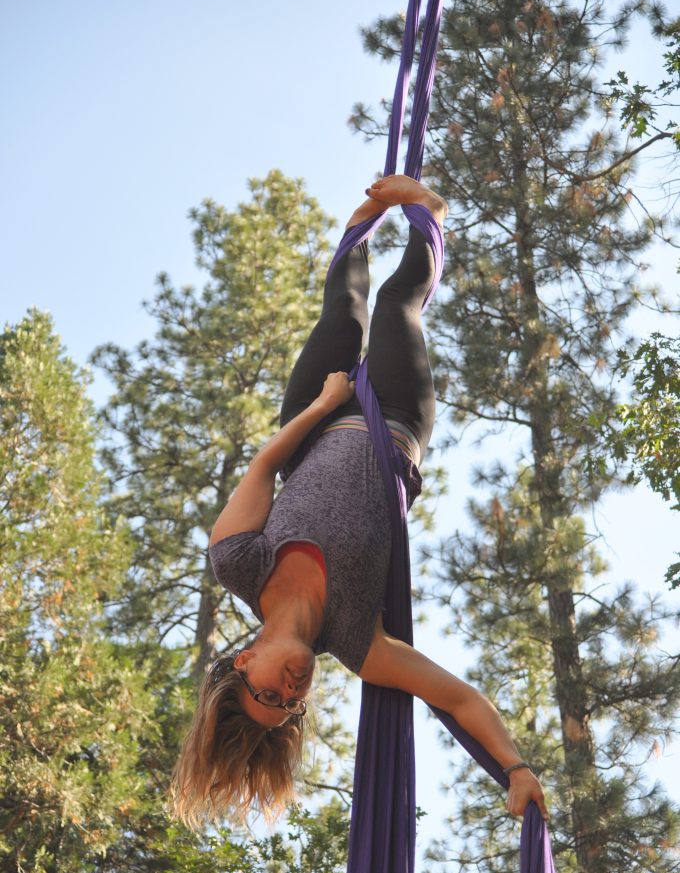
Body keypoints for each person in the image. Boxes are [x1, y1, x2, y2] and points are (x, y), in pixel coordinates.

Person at [171, 175, 548, 828]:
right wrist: (515, 769)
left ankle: (361, 226)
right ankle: (429, 213)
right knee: (398, 304)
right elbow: (457, 699)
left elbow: (264, 464)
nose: (290, 693)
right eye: (290, 708)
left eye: (269, 693)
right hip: (395, 424)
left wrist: (321, 405)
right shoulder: (358, 643)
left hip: (314, 424)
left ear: (243, 660)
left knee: (343, 310)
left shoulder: (237, 563)